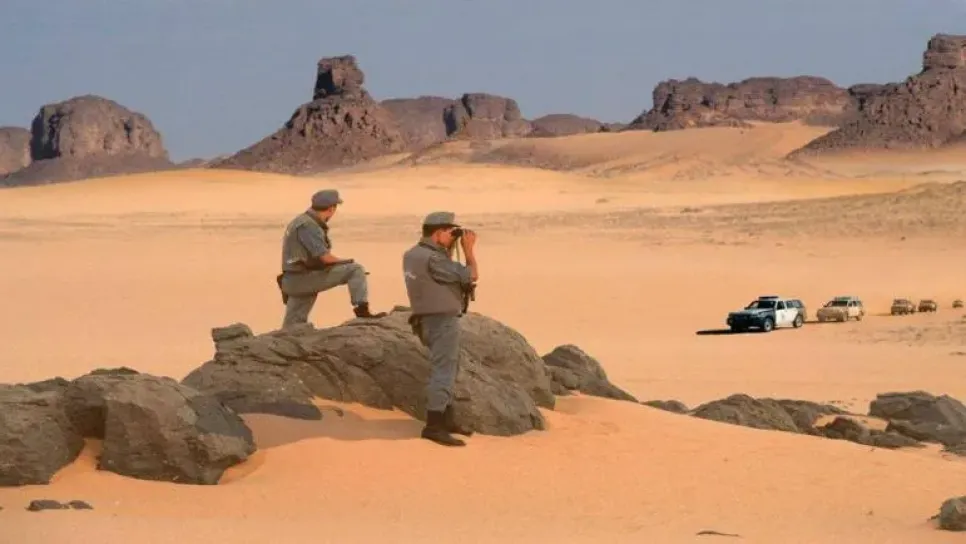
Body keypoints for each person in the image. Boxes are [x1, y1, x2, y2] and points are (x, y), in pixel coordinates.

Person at [402, 211, 479, 447]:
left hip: (425, 320)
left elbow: (440, 275)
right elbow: (471, 275)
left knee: (447, 369)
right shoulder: (434, 259)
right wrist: (468, 251)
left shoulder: (412, 254)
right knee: (443, 372)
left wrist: (448, 247)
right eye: (450, 232)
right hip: (441, 321)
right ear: (438, 233)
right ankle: (434, 427)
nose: (453, 236)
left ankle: (446, 419)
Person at [277, 189, 386, 328]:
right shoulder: (309, 225)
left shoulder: (300, 221)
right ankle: (362, 311)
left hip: (295, 280)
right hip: (303, 279)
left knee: (292, 326)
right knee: (355, 270)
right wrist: (347, 262)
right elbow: (325, 258)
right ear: (331, 209)